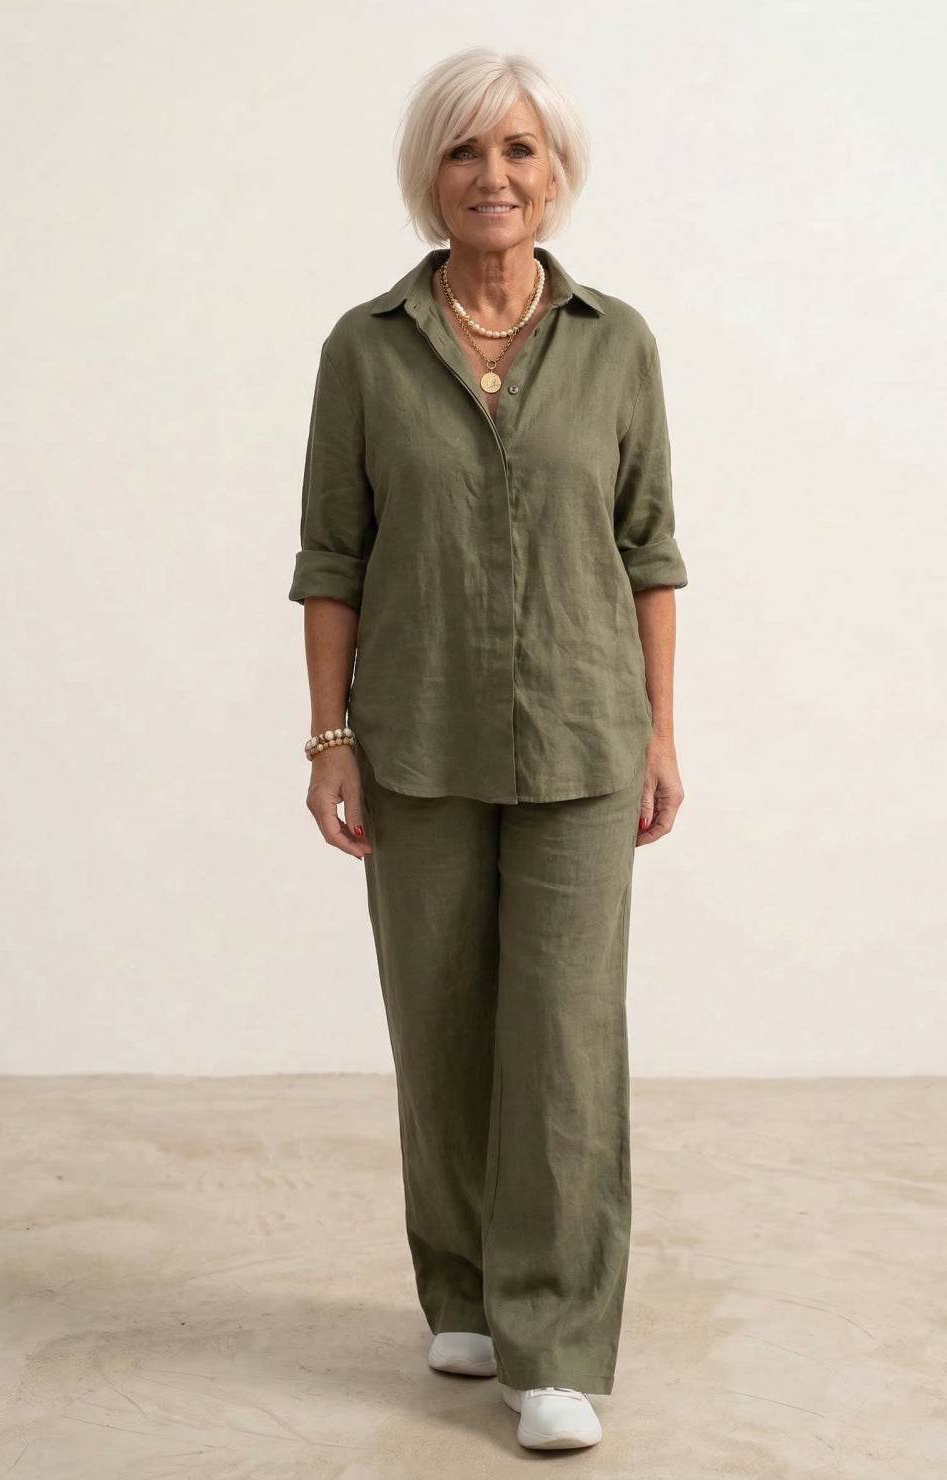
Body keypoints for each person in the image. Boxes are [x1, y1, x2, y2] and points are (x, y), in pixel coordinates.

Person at [289, 46, 689, 1453]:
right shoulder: (365, 349)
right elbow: (331, 558)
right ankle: (460, 1291)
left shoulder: (618, 344)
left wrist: (660, 730)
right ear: (431, 174)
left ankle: (556, 1342)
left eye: (519, 150)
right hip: (416, 736)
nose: (493, 176)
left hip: (585, 736)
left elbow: (649, 549)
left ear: (555, 171)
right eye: (466, 150)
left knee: (564, 1047)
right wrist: (330, 738)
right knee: (441, 1025)